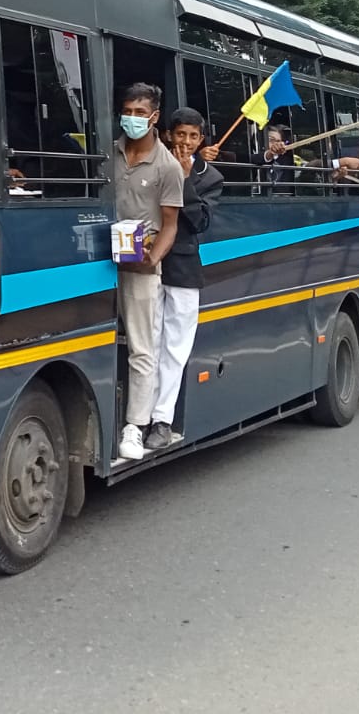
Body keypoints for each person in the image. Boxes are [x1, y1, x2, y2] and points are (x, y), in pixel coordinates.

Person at [111, 83, 184, 462]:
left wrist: (152, 258)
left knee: (142, 347)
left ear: (154, 117)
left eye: (140, 113)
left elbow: (170, 225)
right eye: (128, 111)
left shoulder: (167, 166)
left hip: (140, 266)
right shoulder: (109, 152)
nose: (132, 118)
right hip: (100, 262)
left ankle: (135, 426)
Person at [148, 108, 224, 450]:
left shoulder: (210, 177)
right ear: (168, 135)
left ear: (201, 139)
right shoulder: (151, 163)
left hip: (183, 267)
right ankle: (140, 416)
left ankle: (162, 420)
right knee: (147, 344)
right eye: (181, 135)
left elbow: (200, 222)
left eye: (194, 137)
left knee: (174, 349)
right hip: (147, 264)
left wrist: (186, 179)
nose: (187, 142)